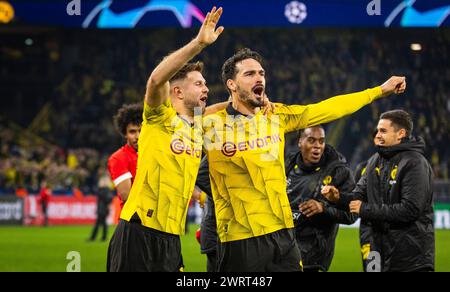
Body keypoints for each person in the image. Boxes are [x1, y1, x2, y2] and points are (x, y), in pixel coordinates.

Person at [202, 47, 406, 272]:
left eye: (261, 73)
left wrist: (378, 91)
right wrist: (227, 105)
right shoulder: (212, 124)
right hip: (240, 237)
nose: (259, 77)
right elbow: (177, 115)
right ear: (231, 84)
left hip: (282, 234)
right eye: (249, 74)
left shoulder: (275, 116)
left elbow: (327, 108)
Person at [107, 6, 226, 272]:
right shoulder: (160, 117)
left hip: (172, 238)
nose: (206, 88)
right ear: (177, 92)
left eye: (206, 84)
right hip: (139, 232)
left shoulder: (197, 127)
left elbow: (221, 108)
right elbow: (155, 80)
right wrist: (198, 44)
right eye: (198, 83)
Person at [322, 110, 434, 272]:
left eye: (383, 131)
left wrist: (365, 209)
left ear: (400, 133)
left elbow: (410, 210)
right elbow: (358, 196)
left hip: (410, 258)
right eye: (377, 131)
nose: (378, 135)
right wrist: (338, 198)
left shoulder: (415, 163)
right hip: (378, 252)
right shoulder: (375, 161)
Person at [285, 126, 357, 272]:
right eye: (311, 140)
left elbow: (352, 214)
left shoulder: (339, 172)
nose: (317, 146)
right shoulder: (287, 165)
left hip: (312, 258)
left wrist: (323, 208)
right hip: (283, 250)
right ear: (300, 142)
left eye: (321, 141)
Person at [107, 103, 142, 211]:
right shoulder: (118, 158)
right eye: (132, 132)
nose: (137, 136)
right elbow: (126, 195)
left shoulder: (156, 153)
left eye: (141, 131)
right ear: (125, 133)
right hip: (133, 223)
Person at [193, 156, 218, 272]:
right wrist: (225, 196)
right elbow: (200, 174)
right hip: (216, 234)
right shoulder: (221, 149)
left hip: (217, 232)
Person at [89, 167, 113, 241]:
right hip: (103, 208)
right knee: (102, 223)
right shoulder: (106, 190)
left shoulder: (104, 190)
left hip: (102, 208)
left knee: (99, 223)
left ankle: (95, 237)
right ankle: (103, 237)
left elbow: (107, 199)